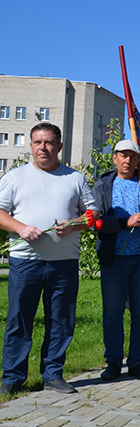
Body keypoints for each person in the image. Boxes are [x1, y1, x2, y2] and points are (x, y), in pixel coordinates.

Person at [0, 123, 97, 395]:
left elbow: (93, 214)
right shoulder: (15, 177)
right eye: (38, 142)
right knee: (19, 319)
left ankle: (53, 374)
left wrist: (74, 225)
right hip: (25, 262)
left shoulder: (74, 178)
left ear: (60, 146)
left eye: (49, 142)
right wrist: (20, 228)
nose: (43, 148)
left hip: (64, 263)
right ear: (31, 145)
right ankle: (13, 377)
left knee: (61, 320)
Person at [93, 139, 140, 382]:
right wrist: (124, 223)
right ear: (114, 158)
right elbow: (97, 221)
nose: (127, 160)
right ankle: (113, 362)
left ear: (138, 160)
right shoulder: (103, 185)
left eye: (132, 156)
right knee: (112, 313)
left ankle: (137, 362)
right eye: (122, 156)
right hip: (113, 259)